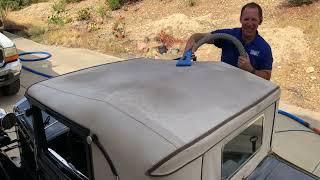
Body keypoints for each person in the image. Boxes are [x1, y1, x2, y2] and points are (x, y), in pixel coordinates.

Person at [184, 2, 273, 80]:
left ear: (260, 21)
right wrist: (194, 37)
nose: (249, 23)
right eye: (246, 19)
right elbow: (206, 37)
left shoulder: (264, 48)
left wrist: (250, 69)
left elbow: (267, 76)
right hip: (224, 86)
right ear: (240, 19)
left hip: (248, 91)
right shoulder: (229, 35)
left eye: (254, 19)